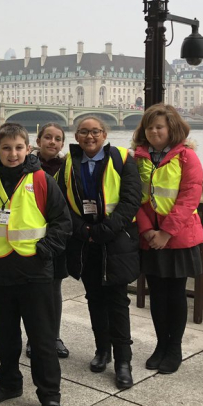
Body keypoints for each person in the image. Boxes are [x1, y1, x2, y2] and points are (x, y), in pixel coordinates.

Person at [0, 123, 71, 406]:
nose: (12, 153)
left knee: (42, 339)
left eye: (18, 147)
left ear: (28, 149)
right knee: (6, 334)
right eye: (6, 148)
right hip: (1, 270)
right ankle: (9, 382)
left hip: (35, 272)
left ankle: (50, 396)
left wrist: (45, 250)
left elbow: (62, 222)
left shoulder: (42, 180)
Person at [57, 116, 141, 389]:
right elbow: (61, 201)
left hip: (115, 241)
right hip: (85, 242)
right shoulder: (69, 162)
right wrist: (82, 229)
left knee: (117, 302)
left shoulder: (123, 158)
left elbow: (131, 199)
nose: (89, 137)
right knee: (94, 298)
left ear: (104, 134)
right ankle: (102, 350)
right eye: (83, 132)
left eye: (95, 131)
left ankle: (123, 361)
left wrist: (106, 229)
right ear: (76, 134)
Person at [132, 104, 203, 375]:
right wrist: (148, 230)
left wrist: (166, 233)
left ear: (171, 129)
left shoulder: (187, 158)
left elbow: (188, 198)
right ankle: (160, 345)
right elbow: (135, 197)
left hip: (179, 238)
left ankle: (174, 349)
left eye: (159, 127)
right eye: (149, 127)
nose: (153, 132)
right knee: (157, 295)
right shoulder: (137, 158)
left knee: (174, 295)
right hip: (150, 238)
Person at [27, 122, 70, 360]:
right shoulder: (25, 166)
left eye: (57, 139)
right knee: (34, 292)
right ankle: (35, 338)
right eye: (48, 138)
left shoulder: (68, 167)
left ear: (62, 144)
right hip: (31, 236)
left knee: (54, 289)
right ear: (39, 140)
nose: (52, 142)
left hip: (58, 236)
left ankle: (54, 336)